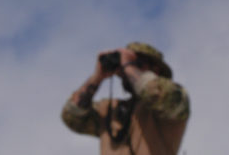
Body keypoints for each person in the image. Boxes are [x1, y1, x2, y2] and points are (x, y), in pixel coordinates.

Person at [61, 42, 190, 155]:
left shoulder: (173, 100)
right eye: (123, 63)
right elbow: (72, 116)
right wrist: (97, 77)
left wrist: (129, 66)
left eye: (138, 62)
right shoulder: (110, 109)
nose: (124, 68)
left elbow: (161, 95)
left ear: (156, 70)